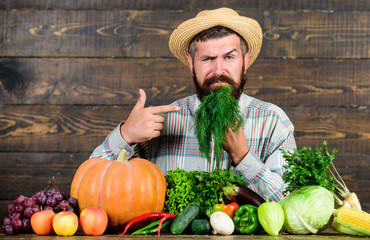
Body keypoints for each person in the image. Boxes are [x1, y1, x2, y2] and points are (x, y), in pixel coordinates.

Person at [91, 8, 296, 202]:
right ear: (191, 64)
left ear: (245, 61)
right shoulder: (163, 123)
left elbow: (292, 204)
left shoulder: (273, 121)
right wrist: (124, 135)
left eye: (229, 57)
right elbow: (91, 184)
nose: (218, 70)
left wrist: (243, 157)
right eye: (207, 58)